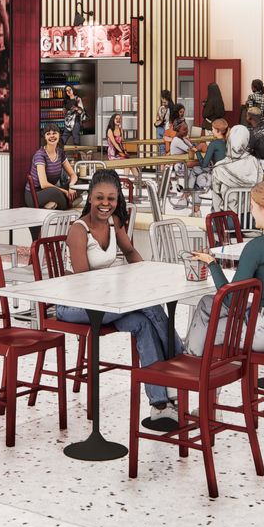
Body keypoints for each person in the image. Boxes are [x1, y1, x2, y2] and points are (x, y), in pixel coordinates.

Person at [60, 171, 181, 431]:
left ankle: (160, 405)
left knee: (143, 323)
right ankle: (181, 358)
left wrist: (145, 272)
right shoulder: (78, 230)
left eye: (111, 199)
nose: (106, 203)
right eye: (100, 198)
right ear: (89, 198)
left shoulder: (114, 222)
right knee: (147, 304)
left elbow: (129, 251)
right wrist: (125, 289)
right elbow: (83, 284)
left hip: (104, 302)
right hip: (74, 306)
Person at [186, 178, 264, 389]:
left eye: (252, 206)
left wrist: (212, 263)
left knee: (205, 329)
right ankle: (192, 370)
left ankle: (192, 380)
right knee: (207, 303)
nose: (250, 211)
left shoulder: (257, 246)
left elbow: (230, 300)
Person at [210, 124, 263, 212]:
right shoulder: (255, 162)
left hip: (227, 218)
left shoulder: (219, 168)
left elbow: (216, 202)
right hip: (252, 217)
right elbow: (260, 186)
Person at [30, 125, 80, 209]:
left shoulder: (60, 153)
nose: (52, 136)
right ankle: (67, 202)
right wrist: (65, 192)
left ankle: (55, 204)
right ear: (45, 137)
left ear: (59, 135)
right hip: (36, 194)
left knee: (79, 182)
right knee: (56, 193)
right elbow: (44, 184)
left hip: (52, 190)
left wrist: (71, 187)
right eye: (48, 134)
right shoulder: (40, 155)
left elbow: (73, 174)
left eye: (54, 133)